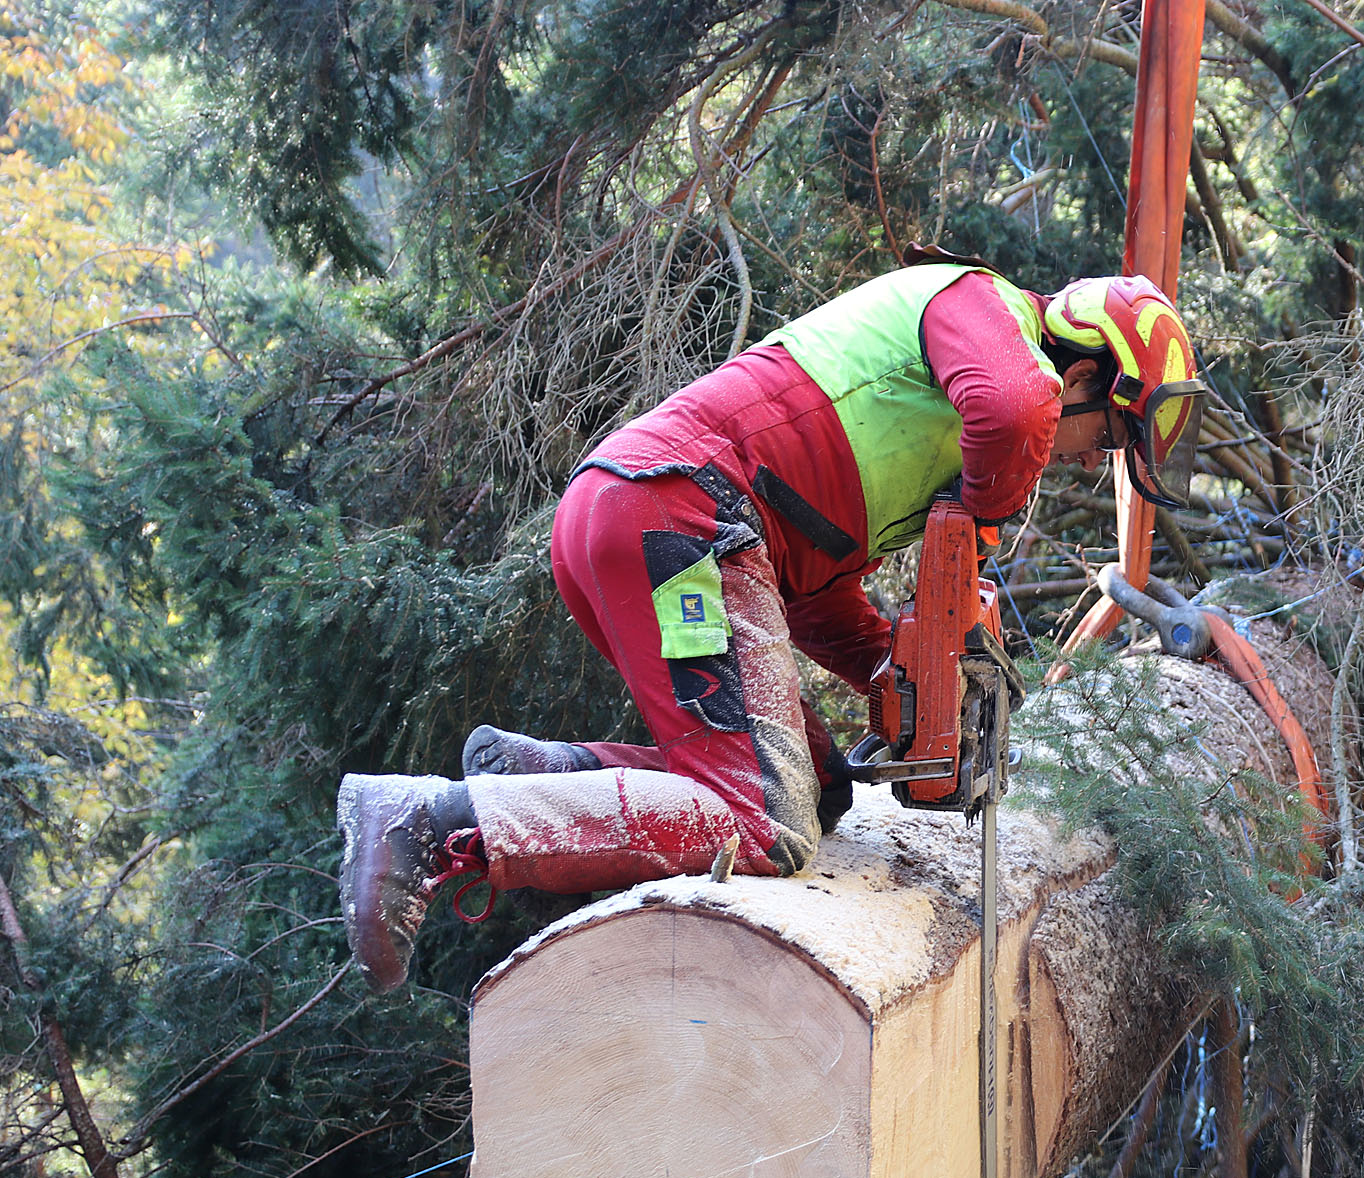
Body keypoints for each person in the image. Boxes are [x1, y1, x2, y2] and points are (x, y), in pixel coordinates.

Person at [333, 261, 1206, 990]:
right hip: (679, 515)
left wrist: (900, 678)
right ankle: (434, 817)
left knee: (818, 788)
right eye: (1106, 438)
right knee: (761, 817)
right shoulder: (980, 309)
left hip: (654, 521)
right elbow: (1016, 412)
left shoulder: (925, 440)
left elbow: (814, 599)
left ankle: (540, 777)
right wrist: (981, 528)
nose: (1090, 459)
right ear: (1084, 373)